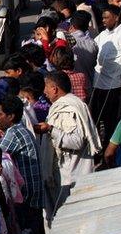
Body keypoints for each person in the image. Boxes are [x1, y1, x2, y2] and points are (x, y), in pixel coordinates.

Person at [35, 71, 102, 210]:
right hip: (66, 173)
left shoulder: (68, 109)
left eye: (46, 87)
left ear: (54, 89)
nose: (44, 91)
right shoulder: (69, 104)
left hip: (70, 175)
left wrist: (50, 129)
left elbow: (76, 141)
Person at [0, 96, 45, 234]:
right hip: (33, 194)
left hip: (27, 196)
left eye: (0, 114)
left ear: (11, 116)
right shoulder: (20, 130)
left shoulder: (14, 132)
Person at [91, 5, 121, 142]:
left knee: (110, 125)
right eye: (102, 18)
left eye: (106, 18)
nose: (103, 21)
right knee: (95, 121)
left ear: (116, 18)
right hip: (98, 87)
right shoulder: (103, 35)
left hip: (113, 88)